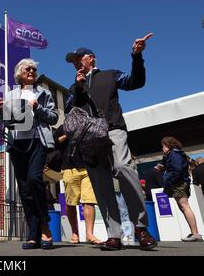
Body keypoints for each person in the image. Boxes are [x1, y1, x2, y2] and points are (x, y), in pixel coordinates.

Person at [65, 33, 157, 251]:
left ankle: (140, 228)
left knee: (124, 168)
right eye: (74, 61)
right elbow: (69, 109)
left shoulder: (110, 75)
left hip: (113, 130)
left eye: (80, 57)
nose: (77, 62)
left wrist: (136, 56)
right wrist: (78, 87)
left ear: (92, 58)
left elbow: (135, 82)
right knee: (101, 184)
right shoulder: (73, 86)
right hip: (88, 140)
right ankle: (113, 234)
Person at [0, 58, 59, 250]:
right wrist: (2, 112)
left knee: (35, 179)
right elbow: (6, 123)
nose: (32, 71)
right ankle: (33, 233)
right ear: (20, 73)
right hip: (18, 145)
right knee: (24, 189)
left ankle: (44, 225)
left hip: (38, 141)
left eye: (34, 69)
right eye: (28, 69)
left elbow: (54, 117)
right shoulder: (10, 95)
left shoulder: (44, 93)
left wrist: (37, 108)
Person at [53, 125, 101, 245]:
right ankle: (75, 232)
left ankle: (90, 233)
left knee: (89, 201)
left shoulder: (88, 125)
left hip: (87, 167)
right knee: (70, 203)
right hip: (69, 168)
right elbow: (54, 143)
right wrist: (67, 135)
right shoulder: (63, 127)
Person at [161, 136, 203, 242]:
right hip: (179, 182)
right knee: (183, 207)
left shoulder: (174, 154)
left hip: (178, 183)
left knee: (185, 207)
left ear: (168, 145)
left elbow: (177, 169)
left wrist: (170, 180)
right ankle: (194, 233)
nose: (162, 148)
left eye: (163, 145)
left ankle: (196, 234)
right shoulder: (174, 154)